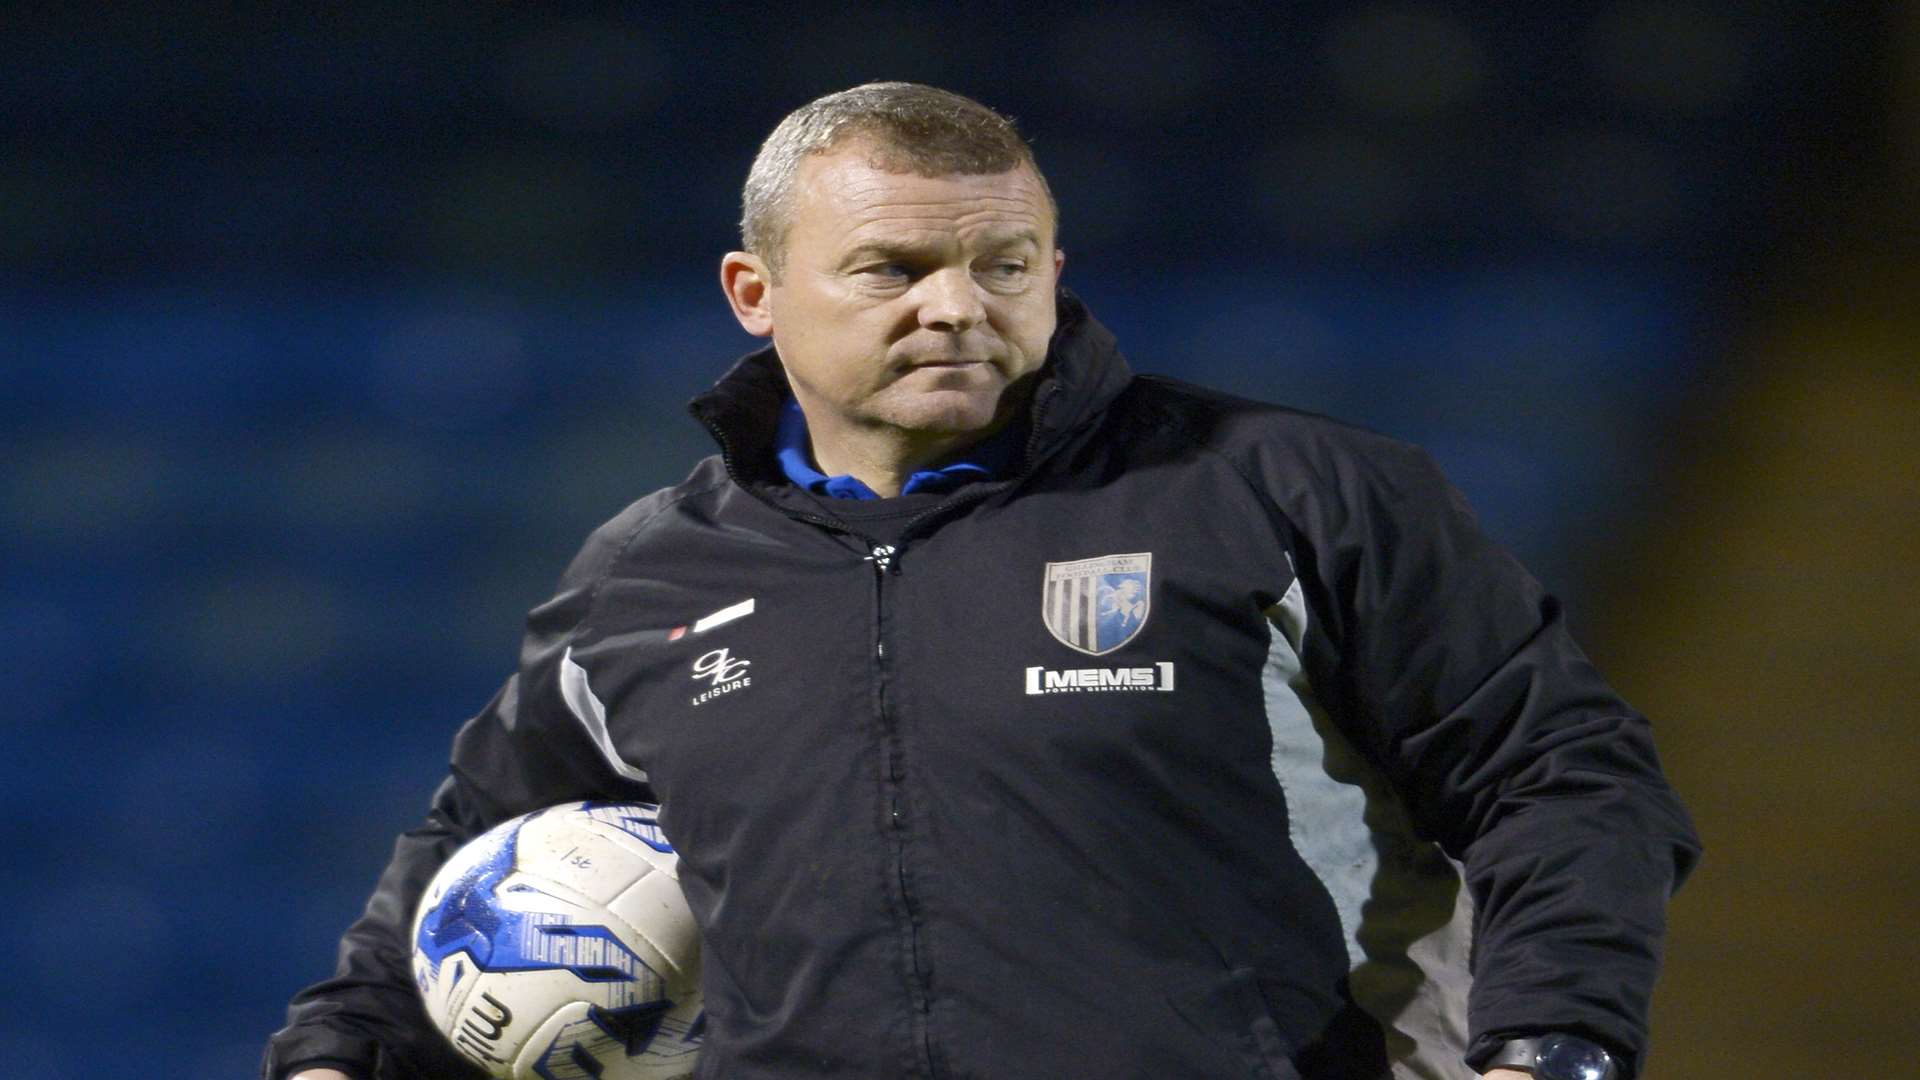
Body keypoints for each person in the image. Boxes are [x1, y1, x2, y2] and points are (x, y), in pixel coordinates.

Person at [266, 82, 1699, 1080]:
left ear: (1052, 264)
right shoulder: (645, 582)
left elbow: (1564, 777)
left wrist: (1550, 1048)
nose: (957, 306)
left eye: (1003, 264)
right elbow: (470, 851)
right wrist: (341, 1053)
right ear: (754, 295)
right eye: (891, 269)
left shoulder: (1288, 493)